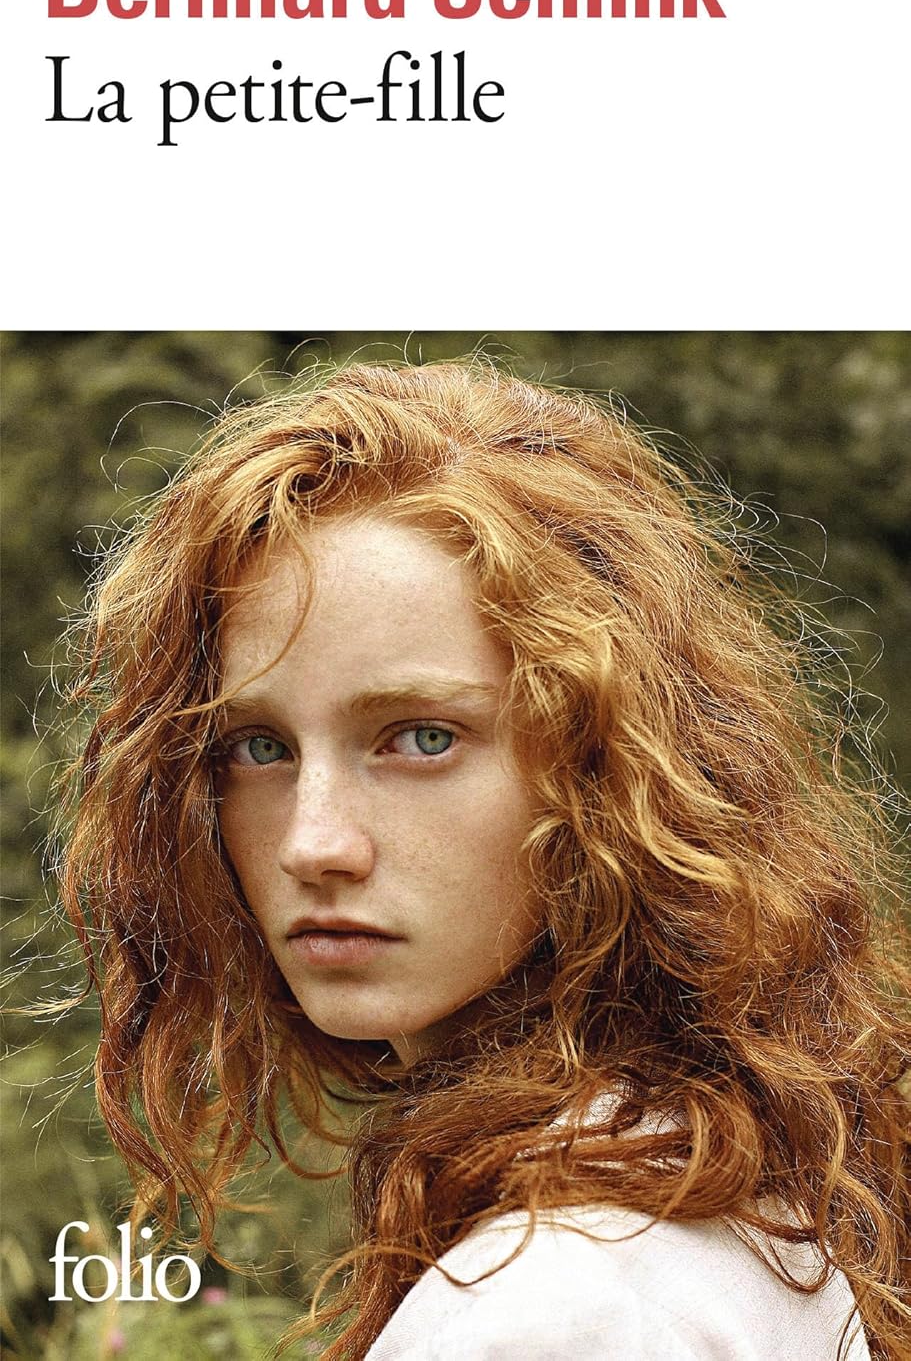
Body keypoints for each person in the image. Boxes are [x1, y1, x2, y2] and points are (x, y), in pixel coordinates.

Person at [58, 360, 909, 1359]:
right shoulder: (707, 1179)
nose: (312, 843)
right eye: (257, 748)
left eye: (421, 738)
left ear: (608, 764)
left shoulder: (561, 1306)